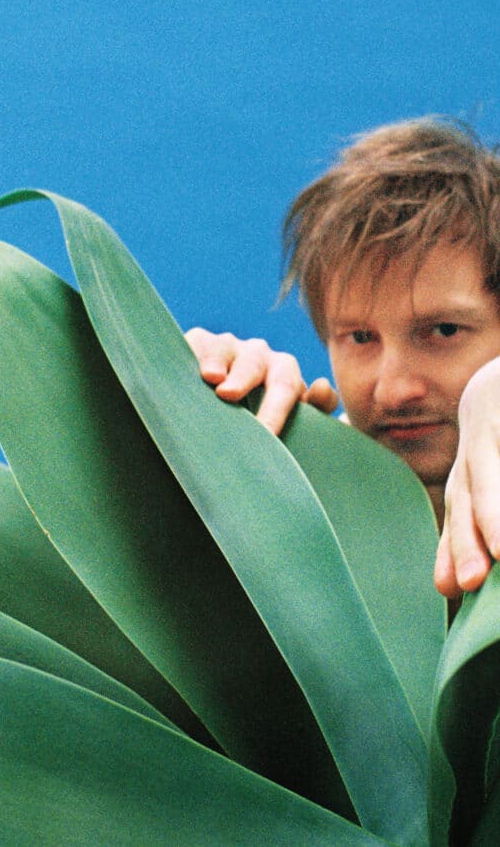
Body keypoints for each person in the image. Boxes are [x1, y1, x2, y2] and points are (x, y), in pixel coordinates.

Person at [185, 117, 500, 601]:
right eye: (360, 337)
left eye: (443, 331)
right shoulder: (284, 525)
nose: (394, 390)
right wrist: (182, 401)